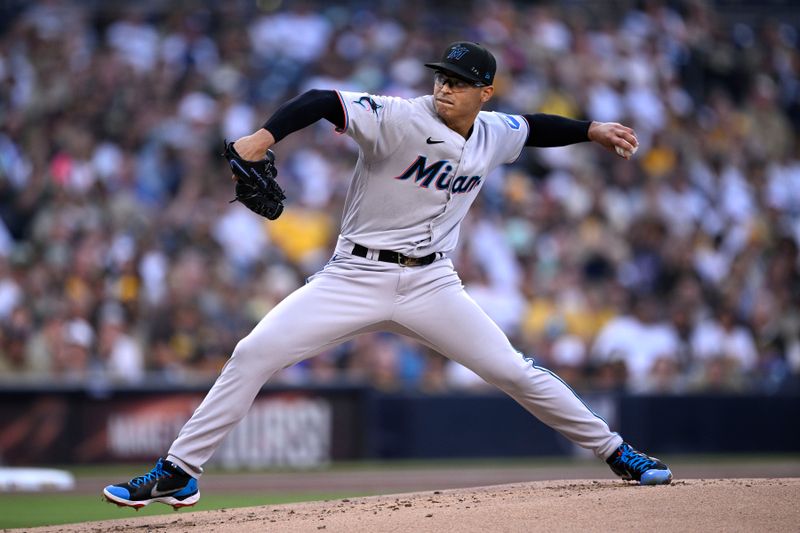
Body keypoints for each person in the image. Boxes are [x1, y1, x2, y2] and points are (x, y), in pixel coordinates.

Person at [103, 41, 672, 510]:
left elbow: (535, 127)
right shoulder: (401, 118)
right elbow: (322, 100)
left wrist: (592, 129)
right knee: (253, 351)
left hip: (432, 284)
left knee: (515, 371)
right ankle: (180, 470)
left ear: (484, 92)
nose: (444, 86)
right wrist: (261, 140)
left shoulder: (494, 130)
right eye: (441, 76)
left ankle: (619, 452)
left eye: (457, 80)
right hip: (354, 274)